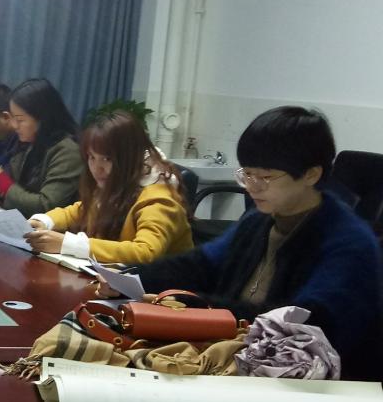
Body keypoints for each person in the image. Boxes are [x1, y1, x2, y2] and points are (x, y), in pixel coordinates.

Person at [94, 107, 382, 381]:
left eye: (266, 177)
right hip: (237, 355)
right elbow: (201, 264)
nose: (252, 187)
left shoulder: (348, 244)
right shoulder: (258, 221)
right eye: (247, 174)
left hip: (306, 379)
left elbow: (298, 326)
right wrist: (131, 278)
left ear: (311, 174)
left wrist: (193, 306)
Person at [24, 110, 193, 263]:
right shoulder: (118, 182)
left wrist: (69, 244)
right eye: (92, 157)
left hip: (161, 286)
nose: (97, 168)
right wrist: (44, 221)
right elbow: (81, 210)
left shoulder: (158, 198)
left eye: (107, 159)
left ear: (129, 158)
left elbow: (146, 252)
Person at [0, 79, 83, 217]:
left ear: (42, 118)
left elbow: (46, 206)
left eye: (20, 120)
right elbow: (12, 189)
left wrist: (2, 182)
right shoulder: (30, 142)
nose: (14, 125)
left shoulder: (67, 151)